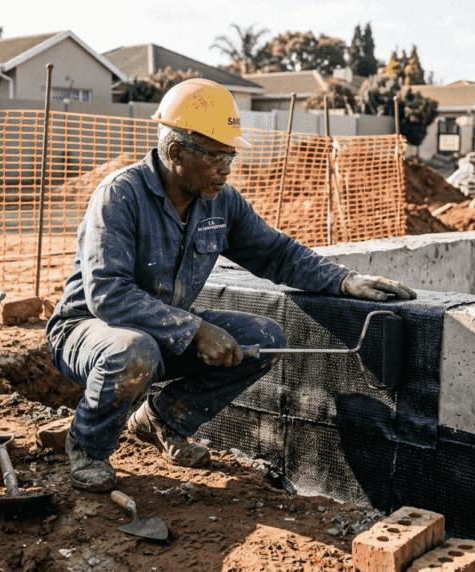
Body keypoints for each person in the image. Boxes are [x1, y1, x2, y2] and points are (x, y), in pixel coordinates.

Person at [45, 78, 417, 492]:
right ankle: (87, 447)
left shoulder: (221, 202)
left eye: (231, 155)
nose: (227, 167)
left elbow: (276, 253)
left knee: (264, 338)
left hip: (162, 331)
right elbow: (106, 294)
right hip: (88, 331)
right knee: (136, 349)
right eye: (217, 156)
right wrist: (196, 330)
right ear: (176, 152)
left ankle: (161, 420)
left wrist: (344, 280)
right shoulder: (120, 196)